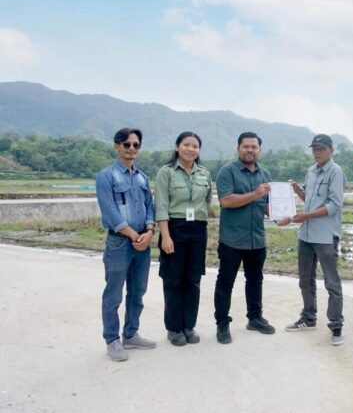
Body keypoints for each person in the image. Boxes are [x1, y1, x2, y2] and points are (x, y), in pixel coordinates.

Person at [277, 134, 345, 346]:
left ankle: (336, 326)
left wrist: (306, 216)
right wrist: (298, 191)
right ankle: (308, 318)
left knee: (331, 282)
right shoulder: (311, 171)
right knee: (305, 279)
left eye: (322, 148)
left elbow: (334, 205)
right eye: (315, 148)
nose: (317, 152)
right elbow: (309, 200)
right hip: (306, 235)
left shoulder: (335, 171)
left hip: (325, 236)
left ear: (331, 150)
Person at [96, 127, 157, 361]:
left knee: (137, 291)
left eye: (136, 145)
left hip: (143, 242)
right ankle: (112, 339)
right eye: (127, 144)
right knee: (114, 294)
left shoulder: (142, 177)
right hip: (120, 243)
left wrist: (149, 232)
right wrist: (134, 236)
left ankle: (130, 334)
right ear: (116, 146)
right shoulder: (107, 176)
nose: (132, 148)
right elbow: (110, 212)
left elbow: (150, 205)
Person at [214, 132, 276, 343]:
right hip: (232, 239)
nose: (250, 150)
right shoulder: (227, 171)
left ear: (260, 150)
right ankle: (222, 324)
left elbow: (266, 206)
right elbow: (226, 201)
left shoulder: (265, 174)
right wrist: (255, 194)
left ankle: (255, 318)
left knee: (255, 280)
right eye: (246, 146)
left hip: (256, 238)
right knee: (226, 282)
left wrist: (279, 215)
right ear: (238, 148)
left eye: (254, 147)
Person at [154, 132, 214, 346]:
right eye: (186, 144)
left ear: (199, 150)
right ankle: (174, 328)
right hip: (174, 228)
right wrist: (166, 237)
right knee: (173, 279)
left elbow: (207, 202)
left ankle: (189, 325)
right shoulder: (167, 172)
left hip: (197, 230)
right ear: (177, 146)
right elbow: (161, 205)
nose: (190, 149)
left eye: (195, 146)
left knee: (193, 279)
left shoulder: (205, 174)